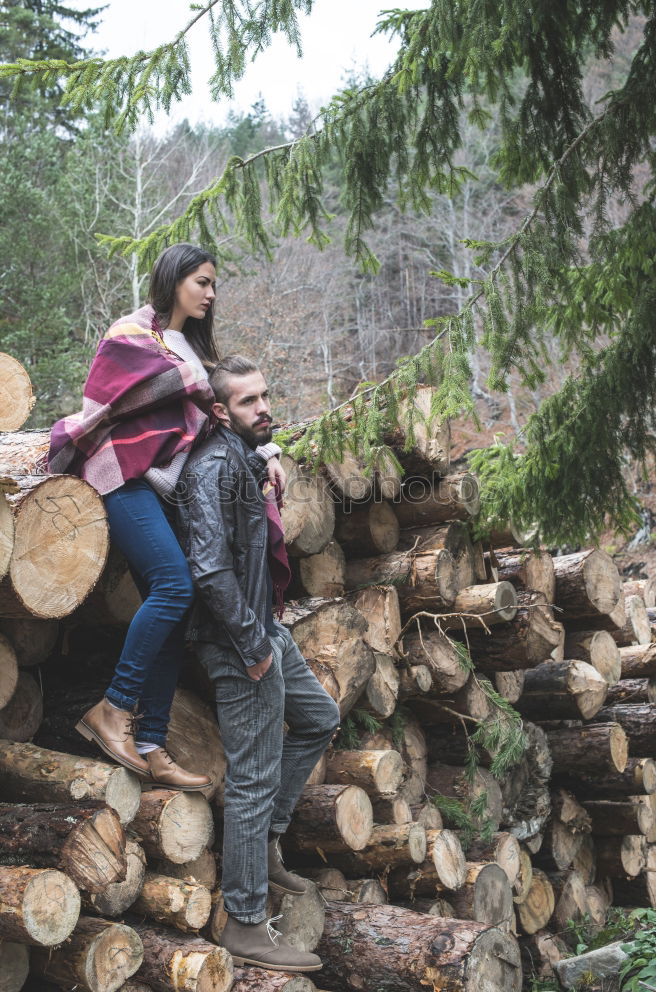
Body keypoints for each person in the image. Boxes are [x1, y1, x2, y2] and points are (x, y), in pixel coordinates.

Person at [47, 244, 284, 790]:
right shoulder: (132, 332)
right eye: (202, 281)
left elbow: (223, 414)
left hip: (159, 489)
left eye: (214, 285)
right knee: (176, 586)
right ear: (174, 278)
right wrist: (190, 381)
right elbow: (106, 403)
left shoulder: (192, 351)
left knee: (180, 604)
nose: (211, 293)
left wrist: (268, 452)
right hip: (119, 476)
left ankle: (152, 742)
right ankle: (114, 707)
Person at [176, 354, 340, 973]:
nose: (264, 407)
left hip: (263, 627)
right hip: (237, 639)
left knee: (320, 719)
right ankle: (246, 923)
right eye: (248, 402)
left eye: (265, 395)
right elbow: (210, 569)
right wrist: (251, 647)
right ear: (219, 411)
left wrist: (263, 464)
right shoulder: (211, 468)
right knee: (251, 778)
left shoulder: (238, 456)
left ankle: (267, 842)